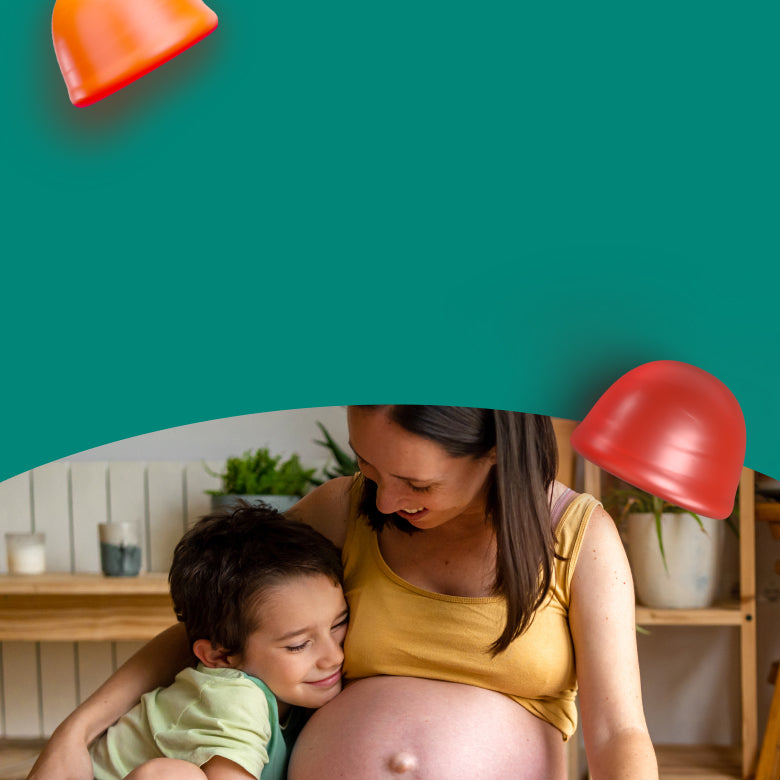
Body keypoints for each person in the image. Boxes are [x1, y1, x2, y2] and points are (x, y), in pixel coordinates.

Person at [28, 406, 657, 780]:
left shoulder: (580, 539)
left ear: (494, 450)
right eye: (368, 467)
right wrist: (74, 732)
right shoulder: (341, 508)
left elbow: (617, 733)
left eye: (415, 482)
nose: (383, 501)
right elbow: (220, 632)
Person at [89, 502, 348, 780]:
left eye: (339, 624)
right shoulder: (234, 698)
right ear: (220, 656)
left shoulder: (291, 693)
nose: (334, 656)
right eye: (297, 645)